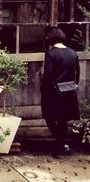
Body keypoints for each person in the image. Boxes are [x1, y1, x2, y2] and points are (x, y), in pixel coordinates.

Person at [41, 26, 80, 157]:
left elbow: (47, 75)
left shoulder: (51, 54)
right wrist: (73, 85)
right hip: (69, 90)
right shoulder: (73, 53)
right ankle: (61, 145)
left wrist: (45, 89)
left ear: (50, 37)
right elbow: (77, 74)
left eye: (47, 36)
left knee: (49, 116)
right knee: (63, 119)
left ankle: (60, 144)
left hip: (53, 92)